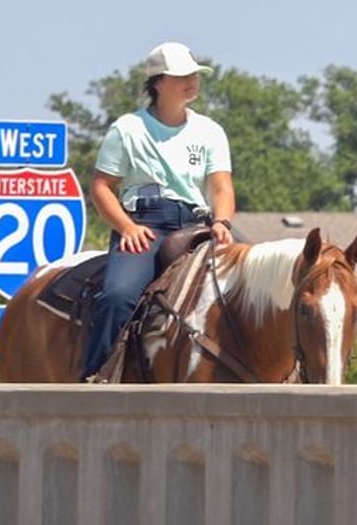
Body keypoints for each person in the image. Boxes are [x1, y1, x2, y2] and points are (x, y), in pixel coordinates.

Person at [81, 41, 236, 381]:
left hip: (199, 225)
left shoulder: (210, 131)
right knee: (118, 296)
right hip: (145, 225)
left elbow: (222, 188)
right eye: (183, 76)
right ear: (158, 83)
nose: (192, 82)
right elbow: (101, 187)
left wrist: (222, 222)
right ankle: (96, 377)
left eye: (195, 75)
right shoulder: (127, 129)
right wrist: (126, 227)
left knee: (250, 280)